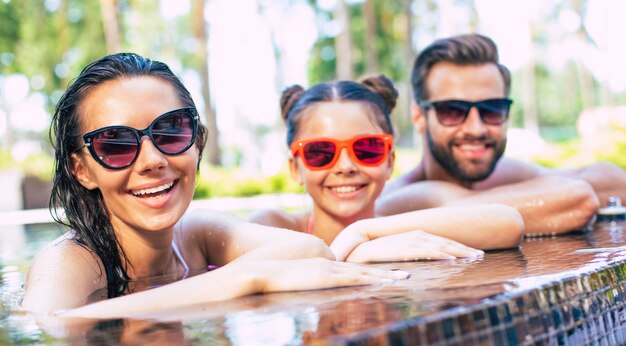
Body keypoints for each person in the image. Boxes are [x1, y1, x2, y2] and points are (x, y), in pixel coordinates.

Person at [21, 53, 408, 318]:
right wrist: (240, 278)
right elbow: (49, 326)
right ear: (82, 170)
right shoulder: (72, 262)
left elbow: (309, 249)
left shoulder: (195, 233)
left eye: (171, 131)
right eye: (116, 144)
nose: (153, 159)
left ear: (197, 141)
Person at [249, 75, 524, 262]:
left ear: (390, 160)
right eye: (320, 152)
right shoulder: (274, 225)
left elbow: (508, 223)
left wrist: (363, 232)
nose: (345, 166)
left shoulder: (401, 219)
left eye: (367, 148)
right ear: (295, 168)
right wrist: (352, 254)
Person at [377, 33, 625, 236]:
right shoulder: (401, 200)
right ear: (419, 117)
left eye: (492, 109)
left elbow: (613, 180)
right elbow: (578, 197)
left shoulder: (505, 175)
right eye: (452, 111)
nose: (476, 128)